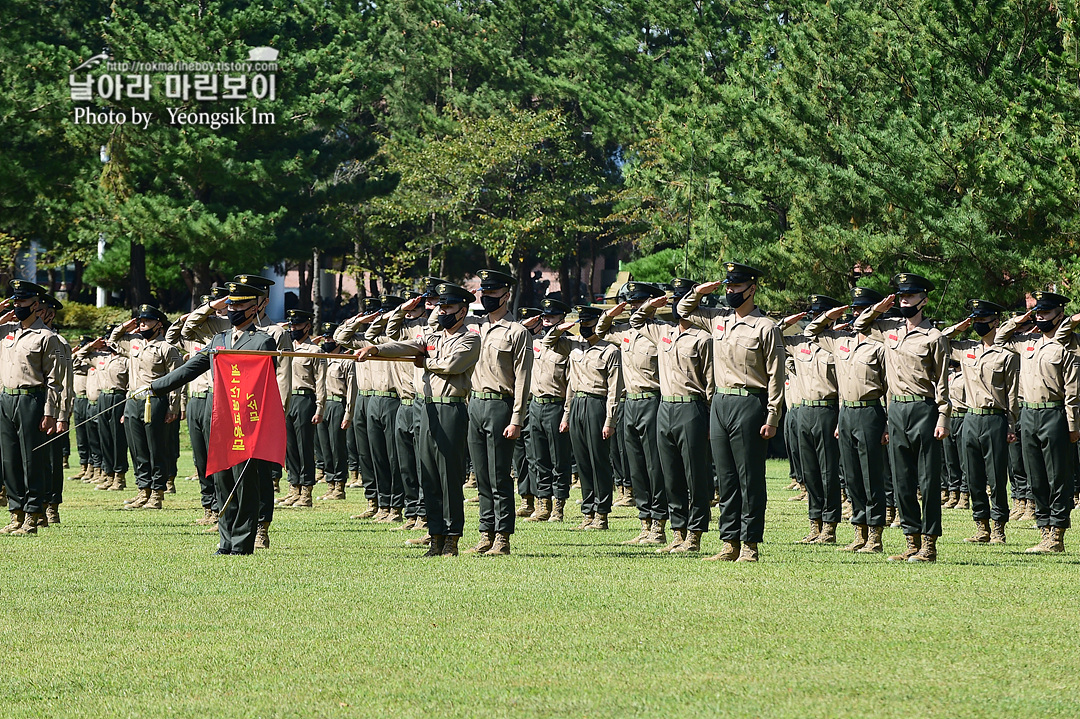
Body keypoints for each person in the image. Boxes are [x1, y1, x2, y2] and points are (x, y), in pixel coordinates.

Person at [145, 282, 278, 554]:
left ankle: (242, 542)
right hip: (219, 417)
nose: (233, 310)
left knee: (244, 480)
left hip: (245, 418)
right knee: (221, 478)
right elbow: (191, 368)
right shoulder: (219, 340)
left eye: (240, 305)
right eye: (231, 305)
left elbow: (261, 379)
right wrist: (155, 386)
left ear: (254, 308)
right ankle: (225, 539)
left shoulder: (262, 341)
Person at [354, 283, 481, 557]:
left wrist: (425, 362)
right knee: (428, 475)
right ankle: (434, 534)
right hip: (424, 409)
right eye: (440, 306)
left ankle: (452, 537)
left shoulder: (469, 338)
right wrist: (375, 351)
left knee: (448, 476)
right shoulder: (431, 336)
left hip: (450, 409)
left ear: (462, 310)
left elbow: (452, 365)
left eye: (448, 307)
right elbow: (406, 346)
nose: (442, 311)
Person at [677, 262, 785, 563]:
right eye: (727, 286)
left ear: (752, 288)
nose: (730, 291)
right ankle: (729, 542)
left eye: (736, 286)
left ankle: (749, 544)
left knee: (749, 478)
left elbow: (776, 375)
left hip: (750, 403)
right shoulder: (718, 320)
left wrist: (773, 415)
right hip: (720, 403)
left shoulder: (766, 327)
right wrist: (700, 291)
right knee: (725, 478)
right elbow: (683, 311)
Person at [852, 273, 950, 562]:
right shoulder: (889, 328)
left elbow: (942, 381)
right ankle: (911, 540)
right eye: (901, 296)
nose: (904, 300)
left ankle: (929, 544)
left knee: (928, 479)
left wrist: (943, 416)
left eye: (910, 296)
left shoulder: (935, 337)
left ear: (924, 299)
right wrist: (879, 308)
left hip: (924, 408)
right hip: (896, 410)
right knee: (902, 479)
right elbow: (859, 324)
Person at [630, 278, 715, 553]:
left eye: (683, 298)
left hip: (692, 407)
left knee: (695, 475)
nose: (678, 303)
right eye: (674, 298)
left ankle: (695, 534)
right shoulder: (663, 333)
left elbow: (711, 383)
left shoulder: (704, 337)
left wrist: (712, 420)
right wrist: (652, 304)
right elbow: (635, 321)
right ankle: (677, 532)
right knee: (671, 475)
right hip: (664, 407)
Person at [805, 287, 890, 553]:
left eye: (862, 309)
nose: (856, 314)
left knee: (871, 476)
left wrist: (887, 422)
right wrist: (830, 315)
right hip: (847, 413)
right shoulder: (841, 342)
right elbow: (810, 332)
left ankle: (875, 535)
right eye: (854, 309)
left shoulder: (881, 345)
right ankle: (859, 531)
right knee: (851, 476)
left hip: (871, 412)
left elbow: (889, 385)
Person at [996, 292, 1080, 552]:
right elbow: (1000, 338)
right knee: (1036, 477)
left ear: (1059, 314)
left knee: (1058, 476)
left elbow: (1073, 391)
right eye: (1038, 312)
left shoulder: (1068, 346)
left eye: (1046, 312)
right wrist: (1020, 319)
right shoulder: (1027, 341)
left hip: (1054, 414)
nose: (1041, 316)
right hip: (1028, 414)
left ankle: (1057, 533)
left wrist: (1073, 425)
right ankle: (1044, 529)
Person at [460, 269, 532, 556]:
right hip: (474, 405)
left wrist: (516, 419)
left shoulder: (517, 332)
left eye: (491, 293)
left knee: (499, 474)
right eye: (483, 293)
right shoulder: (474, 327)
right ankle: (485, 532)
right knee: (481, 474)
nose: (486, 298)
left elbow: (523, 380)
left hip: (501, 406)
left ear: (506, 295)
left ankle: (502, 536)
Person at [940, 300, 1019, 545]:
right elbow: (939, 341)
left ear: (996, 322)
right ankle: (981, 526)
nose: (978, 325)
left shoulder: (1007, 356)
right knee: (972, 476)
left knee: (996, 476)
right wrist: (959, 327)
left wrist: (1011, 424)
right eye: (975, 320)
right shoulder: (966, 349)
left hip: (995, 418)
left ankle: (998, 528)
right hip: (970, 418)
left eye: (982, 321)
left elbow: (1013, 394)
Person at [596, 282, 667, 545]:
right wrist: (613, 312)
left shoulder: (659, 332)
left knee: (654, 466)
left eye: (639, 303)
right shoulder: (625, 333)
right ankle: (644, 523)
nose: (635, 308)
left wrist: (649, 309)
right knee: (635, 466)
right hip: (630, 403)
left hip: (652, 401)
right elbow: (600, 330)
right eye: (633, 304)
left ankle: (659, 525)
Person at [543, 305, 623, 531]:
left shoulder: (610, 351)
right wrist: (561, 328)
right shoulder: (574, 346)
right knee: (582, 461)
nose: (584, 329)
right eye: (582, 324)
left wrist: (610, 420)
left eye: (588, 324)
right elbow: (549, 344)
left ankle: (602, 513)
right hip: (577, 404)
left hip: (597, 405)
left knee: (599, 461)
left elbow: (614, 389)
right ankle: (587, 511)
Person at [0, 280, 66, 535]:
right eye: (15, 301)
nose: (18, 306)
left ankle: (33, 515)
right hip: (6, 398)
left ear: (36, 305)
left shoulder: (46, 337)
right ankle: (16, 514)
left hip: (32, 399)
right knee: (9, 460)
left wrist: (50, 412)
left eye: (23, 301)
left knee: (32, 459)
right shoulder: (6, 331)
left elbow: (55, 381)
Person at [781, 295, 843, 545]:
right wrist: (788, 320)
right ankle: (814, 523)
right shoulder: (798, 344)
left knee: (828, 472)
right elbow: (770, 334)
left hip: (828, 411)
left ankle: (829, 527)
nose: (814, 318)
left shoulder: (838, 344)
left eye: (821, 315)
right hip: (804, 411)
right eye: (812, 314)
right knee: (809, 472)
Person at [110, 304, 182, 511]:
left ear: (159, 324)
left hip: (155, 401)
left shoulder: (167, 349)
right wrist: (126, 325)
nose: (142, 325)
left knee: (156, 448)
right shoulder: (134, 344)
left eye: (147, 321)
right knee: (137, 448)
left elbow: (176, 380)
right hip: (133, 401)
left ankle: (158, 493)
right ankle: (143, 490)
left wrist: (173, 407)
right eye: (140, 321)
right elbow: (113, 340)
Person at [518, 299, 574, 523]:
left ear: (562, 319)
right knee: (537, 458)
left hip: (556, 406)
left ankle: (558, 506)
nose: (547, 320)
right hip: (535, 405)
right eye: (545, 317)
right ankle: (543, 504)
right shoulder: (535, 342)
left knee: (558, 459)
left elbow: (572, 383)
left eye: (552, 317)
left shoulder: (568, 346)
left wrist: (567, 413)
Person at [334, 297, 383, 517]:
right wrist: (357, 320)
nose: (373, 320)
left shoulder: (393, 338)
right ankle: (373, 502)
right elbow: (339, 336)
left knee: (387, 457)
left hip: (385, 398)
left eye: (378, 315)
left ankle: (392, 505)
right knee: (366, 455)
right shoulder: (362, 340)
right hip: (364, 398)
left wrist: (389, 318)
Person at [279, 309, 325, 509]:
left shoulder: (314, 351)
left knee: (304, 446)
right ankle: (293, 487)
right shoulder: (285, 348)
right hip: (286, 399)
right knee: (289, 447)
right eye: (291, 325)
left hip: (305, 399)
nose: (293, 329)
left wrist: (320, 407)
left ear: (307, 326)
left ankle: (306, 490)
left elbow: (321, 380)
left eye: (297, 325)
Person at [314, 323, 355, 502]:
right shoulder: (323, 359)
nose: (327, 341)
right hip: (323, 405)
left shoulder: (346, 361)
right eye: (325, 338)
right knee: (325, 446)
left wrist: (348, 414)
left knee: (337, 447)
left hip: (338, 404)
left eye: (330, 338)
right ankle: (330, 482)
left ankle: (340, 485)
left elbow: (352, 390)